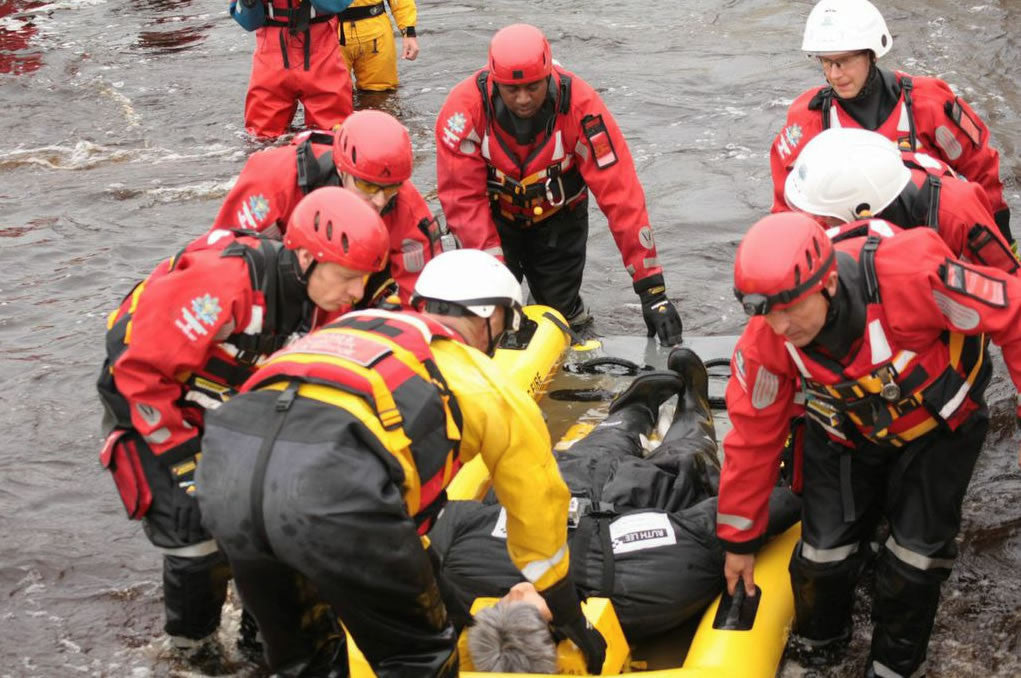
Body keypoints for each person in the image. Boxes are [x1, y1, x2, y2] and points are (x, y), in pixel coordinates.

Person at [195, 249, 607, 676]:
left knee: (305, 658)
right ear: (491, 318)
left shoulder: (350, 329)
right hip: (328, 499)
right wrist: (568, 613)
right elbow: (539, 510)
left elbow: (396, 524)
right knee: (422, 659)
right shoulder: (489, 388)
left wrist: (452, 608)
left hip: (223, 476)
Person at [719, 212, 1021, 677]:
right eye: (766, 311)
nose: (780, 326)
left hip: (937, 429)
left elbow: (1013, 310)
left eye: (790, 307)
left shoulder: (911, 276)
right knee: (821, 559)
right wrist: (739, 540)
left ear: (830, 282)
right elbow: (751, 439)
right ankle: (820, 652)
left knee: (914, 565)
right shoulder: (766, 342)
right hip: (846, 429)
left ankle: (894, 668)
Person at [95, 187, 388, 663]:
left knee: (274, 518)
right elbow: (141, 372)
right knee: (193, 533)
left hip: (223, 402)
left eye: (364, 280)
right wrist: (183, 461)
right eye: (349, 278)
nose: (356, 292)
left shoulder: (324, 303)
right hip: (145, 400)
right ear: (308, 258)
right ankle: (193, 653)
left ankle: (263, 641)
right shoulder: (223, 286)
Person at [427, 348, 800, 669]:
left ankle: (635, 408)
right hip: (645, 498)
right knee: (688, 462)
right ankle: (692, 406)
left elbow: (428, 527)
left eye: (499, 607)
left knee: (601, 445)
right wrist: (790, 491)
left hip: (567, 484)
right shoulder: (651, 587)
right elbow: (713, 527)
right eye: (516, 608)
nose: (508, 596)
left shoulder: (465, 570)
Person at [434, 23, 682, 343]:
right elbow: (462, 201)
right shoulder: (463, 113)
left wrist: (652, 291)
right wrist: (497, 284)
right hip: (492, 221)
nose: (523, 99)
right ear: (495, 82)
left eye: (534, 87)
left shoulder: (583, 109)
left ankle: (570, 319)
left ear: (549, 74)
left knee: (563, 313)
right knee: (488, 316)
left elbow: (622, 197)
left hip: (559, 222)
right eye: (512, 90)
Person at [769, 0, 1012, 248]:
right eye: (826, 62)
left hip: (932, 248)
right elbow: (789, 209)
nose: (834, 74)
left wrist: (1001, 241)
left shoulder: (929, 103)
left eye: (843, 61)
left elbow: (980, 170)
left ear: (870, 54)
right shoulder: (808, 119)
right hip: (852, 256)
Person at [214, 110, 458, 305]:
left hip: (353, 297)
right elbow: (227, 257)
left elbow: (422, 297)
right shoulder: (274, 178)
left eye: (391, 188)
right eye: (368, 187)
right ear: (342, 169)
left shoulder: (408, 210)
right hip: (279, 289)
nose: (381, 201)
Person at [784, 127, 1019, 274]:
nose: (821, 221)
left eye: (827, 215)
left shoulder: (956, 210)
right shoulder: (848, 193)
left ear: (861, 208)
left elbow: (1009, 285)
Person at [229, 0, 354, 139]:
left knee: (333, 135)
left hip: (321, 53)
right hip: (271, 58)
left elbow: (337, 5)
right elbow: (248, 22)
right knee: (261, 138)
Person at [337, 0, 418, 92]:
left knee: (381, 94)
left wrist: (409, 32)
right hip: (330, 33)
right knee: (332, 95)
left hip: (376, 32)